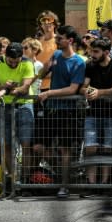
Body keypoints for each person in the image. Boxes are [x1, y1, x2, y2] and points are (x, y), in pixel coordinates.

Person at [38, 26, 87, 198]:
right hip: (52, 110)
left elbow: (73, 89)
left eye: (60, 38)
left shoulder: (79, 62)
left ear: (70, 41)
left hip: (68, 112)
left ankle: (64, 186)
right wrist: (47, 66)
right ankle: (63, 172)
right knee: (38, 146)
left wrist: (50, 93)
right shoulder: (56, 55)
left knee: (65, 149)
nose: (56, 40)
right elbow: (41, 74)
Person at [0, 42, 36, 186]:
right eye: (10, 61)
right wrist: (2, 86)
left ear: (21, 57)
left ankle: (25, 181)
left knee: (26, 144)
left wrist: (3, 91)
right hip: (3, 107)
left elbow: (24, 88)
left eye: (16, 61)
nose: (13, 64)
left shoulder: (27, 63)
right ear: (5, 56)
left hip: (24, 105)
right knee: (6, 144)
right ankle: (13, 179)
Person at [80, 37, 112, 195]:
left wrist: (99, 93)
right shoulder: (90, 65)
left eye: (96, 51)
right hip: (92, 113)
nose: (92, 54)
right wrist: (86, 91)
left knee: (107, 149)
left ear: (106, 52)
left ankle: (105, 183)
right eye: (92, 50)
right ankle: (91, 184)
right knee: (91, 148)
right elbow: (83, 86)